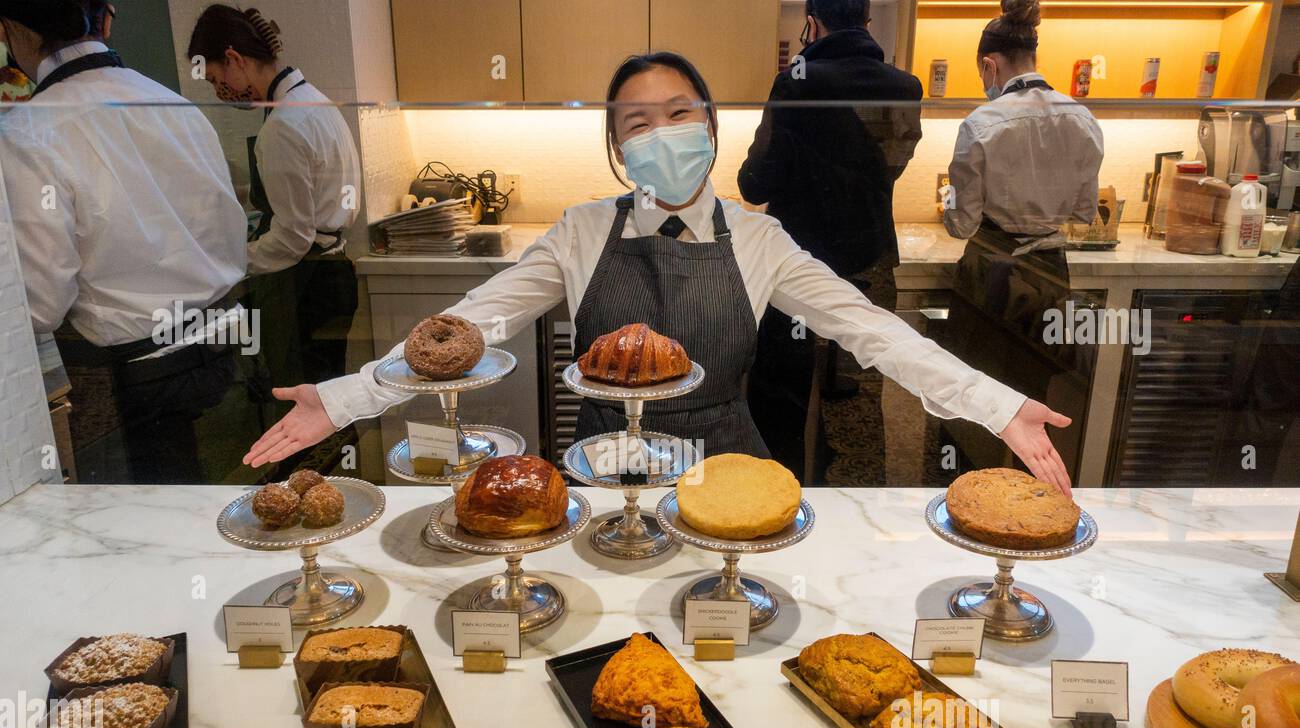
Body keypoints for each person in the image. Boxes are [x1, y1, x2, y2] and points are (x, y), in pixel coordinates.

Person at [244, 51, 1073, 495]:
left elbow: (875, 331)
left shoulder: (760, 238)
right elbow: (470, 324)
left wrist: (997, 408)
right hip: (600, 475)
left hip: (727, 476)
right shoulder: (578, 231)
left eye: (679, 113)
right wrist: (349, 395)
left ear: (711, 125)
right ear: (615, 146)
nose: (661, 133)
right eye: (636, 122)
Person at [0, 0, 248, 483]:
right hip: (223, 343)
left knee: (153, 536)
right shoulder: (171, 101)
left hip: (136, 380)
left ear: (10, 31)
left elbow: (42, 304)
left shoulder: (27, 131)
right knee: (221, 504)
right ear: (107, 19)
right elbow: (227, 226)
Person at [739, 0, 923, 482]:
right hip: (869, 265)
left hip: (797, 270)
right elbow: (889, 167)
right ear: (866, 22)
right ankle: (854, 514)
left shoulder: (797, 81)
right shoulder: (906, 87)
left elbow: (755, 183)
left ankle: (780, 503)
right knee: (858, 399)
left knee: (784, 395)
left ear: (812, 23)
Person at [941, 0, 1103, 479]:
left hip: (992, 269)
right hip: (1050, 273)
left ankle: (969, 490)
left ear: (990, 64)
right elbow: (1084, 212)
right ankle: (1029, 497)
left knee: (974, 396)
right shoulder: (1083, 118)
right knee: (1035, 394)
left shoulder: (982, 124)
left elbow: (961, 223)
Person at [188, 4, 361, 387]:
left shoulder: (282, 126)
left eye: (216, 78)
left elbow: (293, 238)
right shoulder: (314, 101)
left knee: (297, 400)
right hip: (333, 276)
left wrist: (233, 260)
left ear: (234, 58)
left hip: (303, 286)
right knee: (329, 396)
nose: (220, 91)